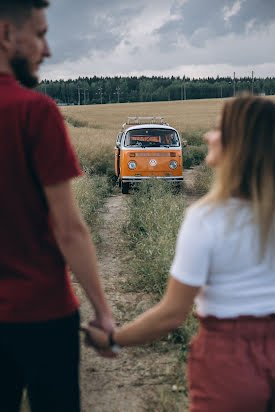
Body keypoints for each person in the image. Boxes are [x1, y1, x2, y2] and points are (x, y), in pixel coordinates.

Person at [85, 95, 275, 411]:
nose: (208, 136)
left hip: (230, 360)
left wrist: (114, 339)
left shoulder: (207, 218)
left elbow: (172, 314)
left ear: (239, 144)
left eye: (219, 129)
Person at [0, 1, 114, 411]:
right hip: (41, 316)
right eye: (41, 34)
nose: (47, 50)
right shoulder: (35, 112)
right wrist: (102, 312)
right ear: (7, 35)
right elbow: (68, 228)